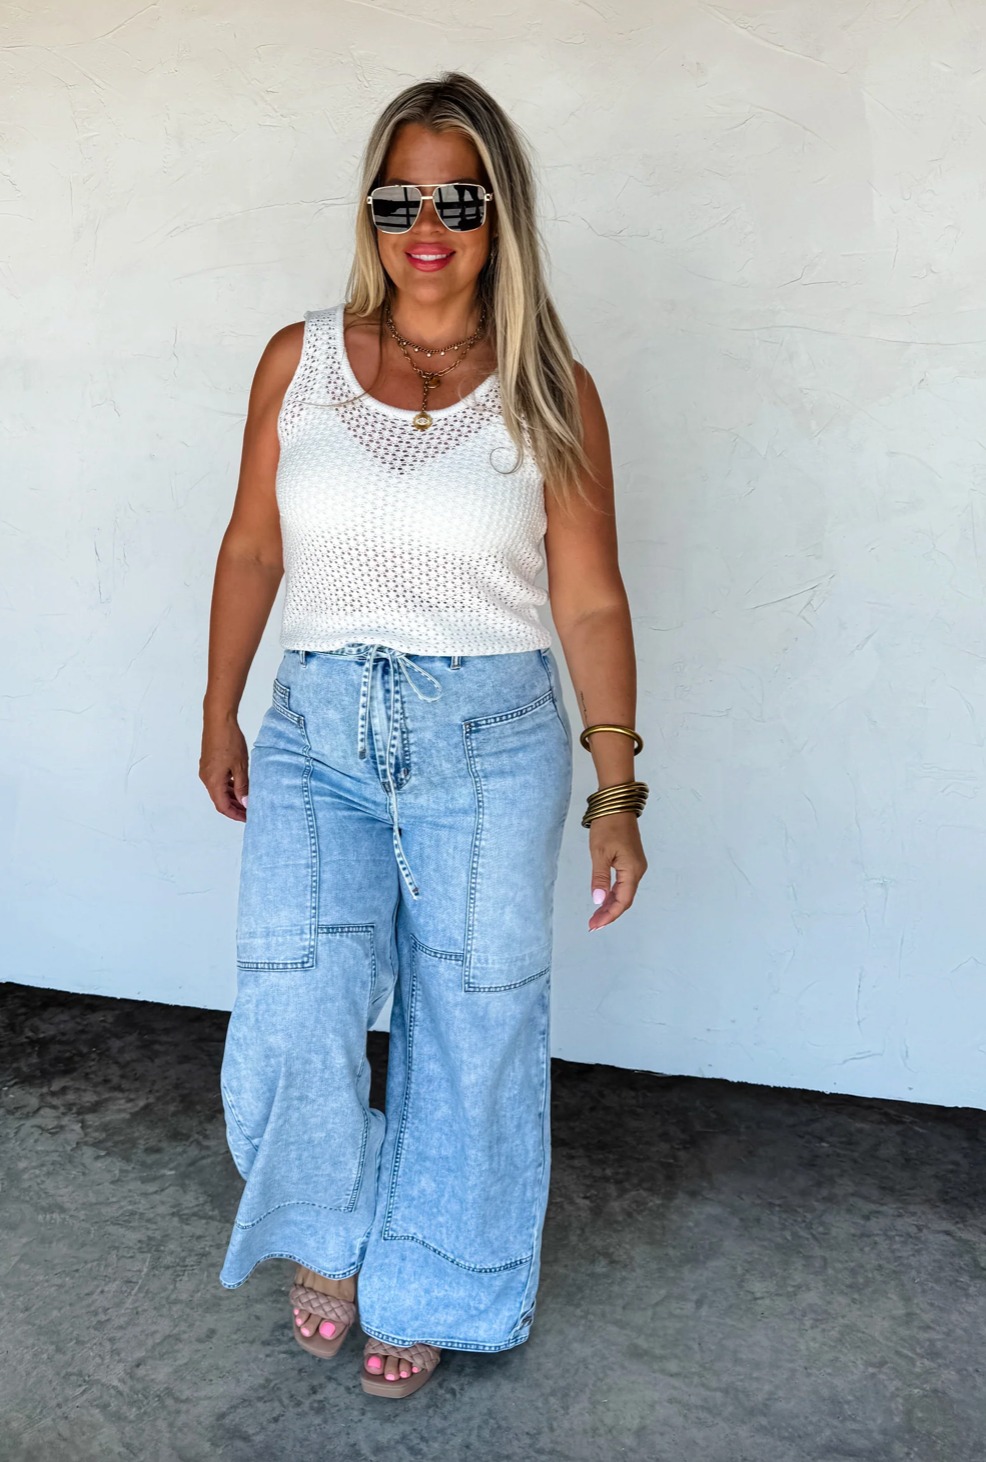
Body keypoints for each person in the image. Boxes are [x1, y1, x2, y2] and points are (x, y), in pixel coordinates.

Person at [199, 70, 648, 1399]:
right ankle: (330, 1236)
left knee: (475, 1020)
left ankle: (440, 1272)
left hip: (491, 735)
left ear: (498, 212)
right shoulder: (301, 359)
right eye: (402, 194)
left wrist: (615, 784)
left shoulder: (549, 387)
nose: (427, 222)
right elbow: (250, 545)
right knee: (296, 1001)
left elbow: (589, 593)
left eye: (459, 194)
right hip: (316, 727)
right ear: (372, 209)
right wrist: (217, 700)